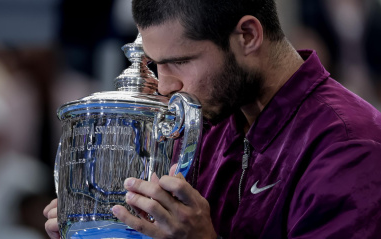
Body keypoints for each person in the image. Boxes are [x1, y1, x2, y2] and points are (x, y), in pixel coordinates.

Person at [44, 0, 381, 238]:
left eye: (179, 62)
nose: (164, 85)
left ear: (248, 35)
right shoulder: (204, 121)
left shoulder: (349, 145)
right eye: (156, 64)